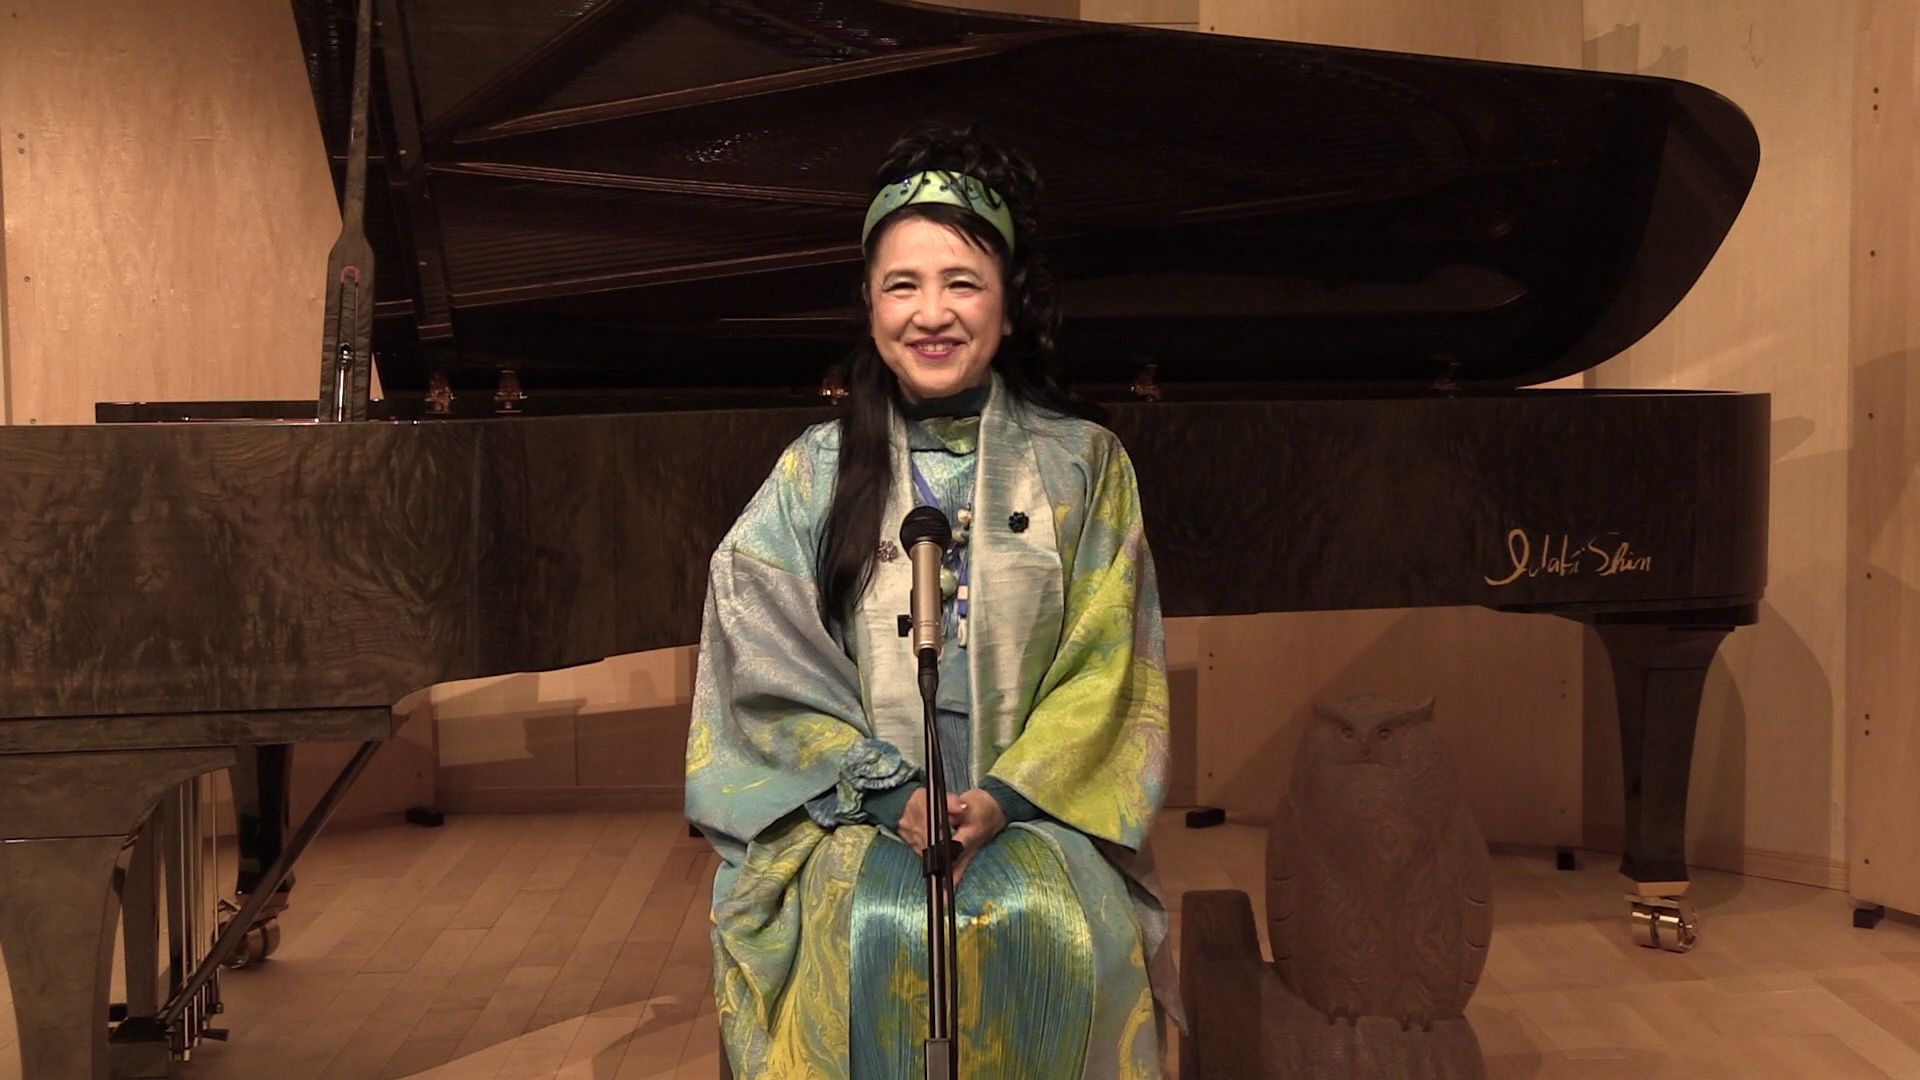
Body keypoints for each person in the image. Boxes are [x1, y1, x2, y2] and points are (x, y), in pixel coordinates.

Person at [685, 119, 1178, 1079]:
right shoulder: (814, 471)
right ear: (869, 303)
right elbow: (761, 654)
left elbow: (1110, 668)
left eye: (963, 283)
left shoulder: (1085, 466)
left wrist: (1005, 796)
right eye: (902, 285)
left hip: (1037, 801)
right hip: (860, 807)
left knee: (1045, 919)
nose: (932, 313)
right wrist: (887, 792)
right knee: (876, 922)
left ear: (1010, 305)